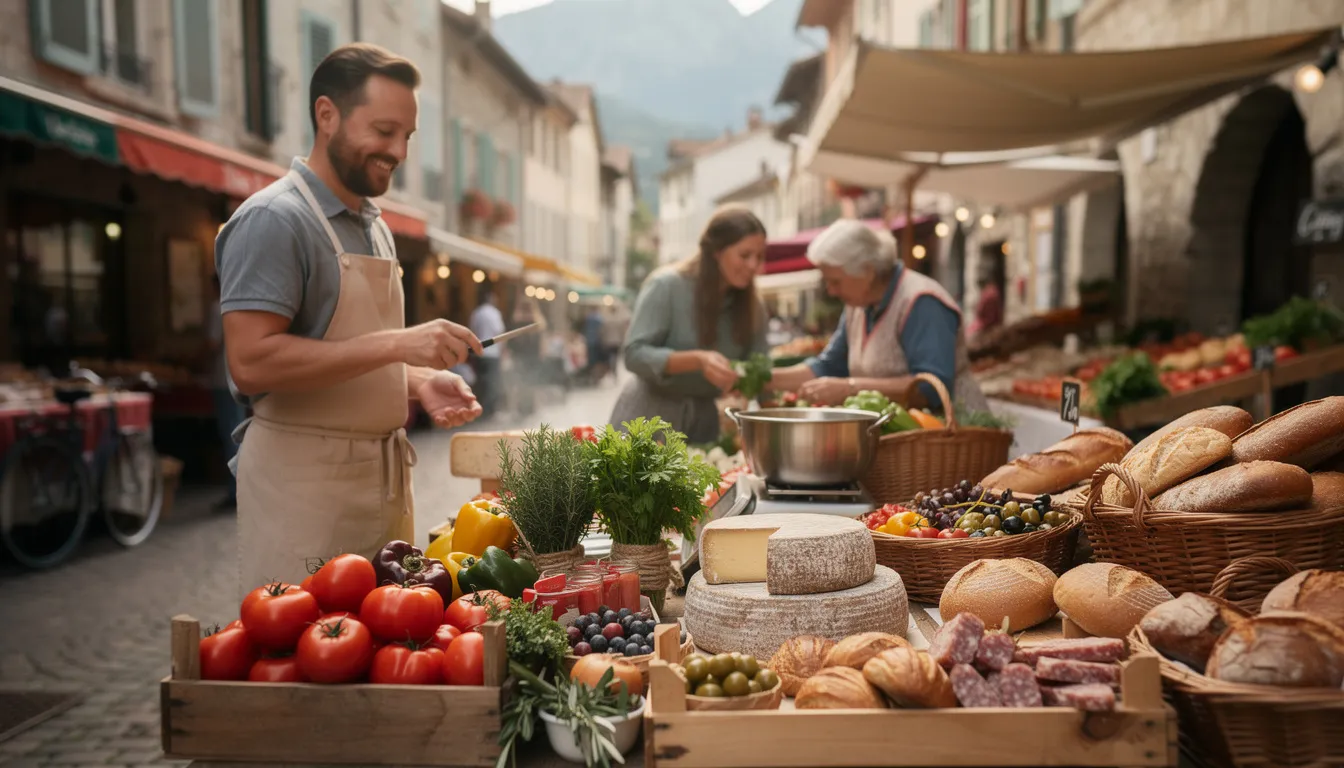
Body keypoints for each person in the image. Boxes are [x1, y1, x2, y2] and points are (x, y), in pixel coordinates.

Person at [215, 43, 484, 596]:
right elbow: (251, 362)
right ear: (326, 114)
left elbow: (341, 355)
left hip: (380, 490)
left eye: (406, 136)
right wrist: (399, 346)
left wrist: (419, 380)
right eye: (384, 130)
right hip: (303, 493)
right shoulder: (274, 220)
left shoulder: (374, 225)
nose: (397, 151)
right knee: (310, 663)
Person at [770, 219, 988, 413]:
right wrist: (762, 379)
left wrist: (849, 388)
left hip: (956, 437)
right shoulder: (858, 305)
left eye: (835, 281)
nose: (831, 291)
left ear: (867, 270)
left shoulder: (921, 302)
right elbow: (828, 367)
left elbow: (930, 388)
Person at [609, 206, 768, 443]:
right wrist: (698, 360)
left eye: (760, 256)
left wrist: (742, 385)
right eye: (745, 255)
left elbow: (760, 372)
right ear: (716, 251)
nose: (754, 265)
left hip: (704, 425)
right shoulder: (666, 286)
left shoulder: (754, 306)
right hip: (646, 417)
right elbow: (634, 354)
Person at [205, 273, 246, 511]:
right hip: (237, 379)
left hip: (223, 378)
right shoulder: (240, 306)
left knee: (230, 435)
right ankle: (240, 491)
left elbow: (212, 344)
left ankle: (236, 493)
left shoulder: (217, 308)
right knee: (237, 433)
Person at [469, 288, 506, 418]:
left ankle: (479, 408)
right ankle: (489, 410)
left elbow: (472, 333)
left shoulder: (476, 313)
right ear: (491, 300)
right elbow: (500, 333)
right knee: (492, 382)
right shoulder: (495, 313)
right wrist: (503, 351)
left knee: (481, 381)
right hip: (493, 353)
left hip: (480, 352)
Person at [969, 272, 1004, 337]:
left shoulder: (988, 294)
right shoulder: (994, 291)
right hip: (993, 324)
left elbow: (980, 310)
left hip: (986, 325)